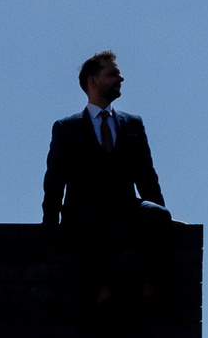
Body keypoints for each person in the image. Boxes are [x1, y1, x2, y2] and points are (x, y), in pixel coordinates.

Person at [41, 50, 170, 302]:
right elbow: (55, 179)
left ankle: (147, 288)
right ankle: (100, 289)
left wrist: (161, 211)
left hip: (124, 205)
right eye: (112, 74)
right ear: (92, 81)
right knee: (92, 215)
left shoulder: (132, 124)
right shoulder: (67, 128)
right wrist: (49, 224)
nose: (120, 79)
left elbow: (146, 174)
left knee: (158, 215)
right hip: (84, 209)